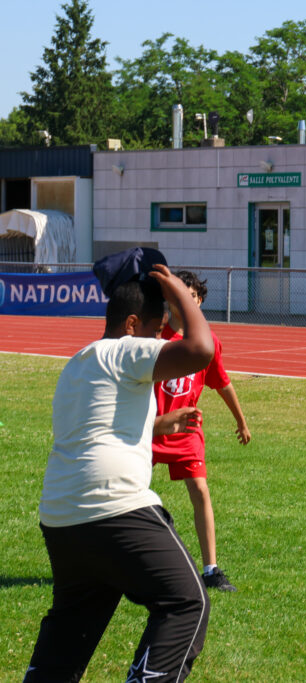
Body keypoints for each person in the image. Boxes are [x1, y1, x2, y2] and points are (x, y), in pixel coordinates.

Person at [24, 248, 215, 682]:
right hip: (113, 508)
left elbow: (99, 431)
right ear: (132, 326)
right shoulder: (126, 351)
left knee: (70, 632)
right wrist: (180, 294)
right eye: (156, 329)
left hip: (61, 518)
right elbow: (201, 349)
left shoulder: (79, 363)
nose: (160, 338)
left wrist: (162, 424)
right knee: (188, 602)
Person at [152, 270, 252, 592]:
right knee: (131, 488)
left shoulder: (207, 343)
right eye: (181, 294)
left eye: (193, 296)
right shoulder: (155, 339)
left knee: (200, 490)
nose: (188, 301)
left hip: (187, 432)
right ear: (171, 300)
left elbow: (223, 384)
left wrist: (241, 420)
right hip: (151, 430)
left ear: (199, 301)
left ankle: (211, 570)